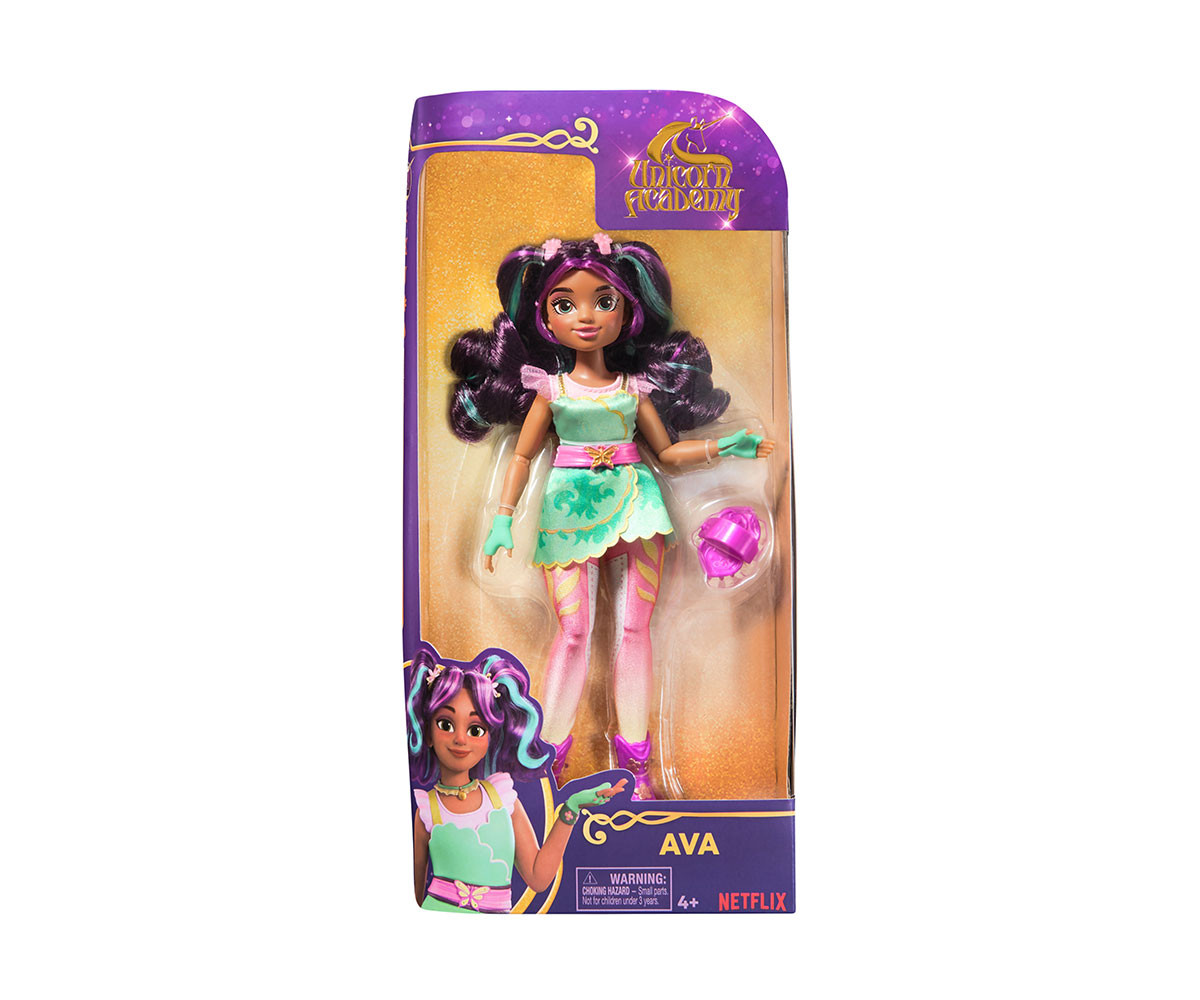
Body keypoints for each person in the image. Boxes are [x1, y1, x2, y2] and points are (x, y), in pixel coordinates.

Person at [449, 235, 774, 798]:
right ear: (545, 317)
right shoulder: (550, 389)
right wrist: (502, 517)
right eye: (565, 304)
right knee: (573, 633)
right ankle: (544, 761)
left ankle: (637, 767)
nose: (586, 316)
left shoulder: (633, 388)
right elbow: (522, 456)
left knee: (634, 631)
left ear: (627, 312)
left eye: (604, 301)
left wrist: (728, 446)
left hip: (637, 507)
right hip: (568, 515)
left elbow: (667, 452)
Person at [407, 646, 624, 912]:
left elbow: (538, 877)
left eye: (475, 729)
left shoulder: (502, 799)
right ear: (428, 734)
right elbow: (413, 896)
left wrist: (572, 808)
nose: (460, 739)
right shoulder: (426, 810)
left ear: (490, 737)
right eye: (445, 725)